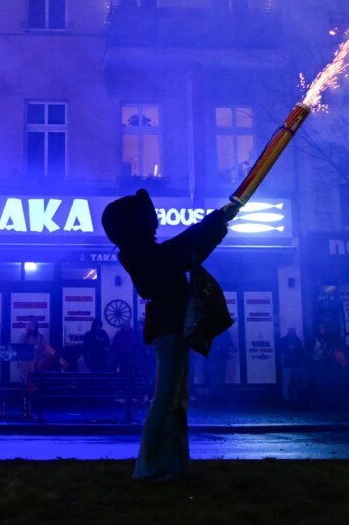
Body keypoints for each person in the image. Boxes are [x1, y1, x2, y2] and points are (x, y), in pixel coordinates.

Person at [101, 189, 234, 482]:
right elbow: (184, 250)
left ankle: (173, 466)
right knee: (166, 401)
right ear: (137, 222)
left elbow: (183, 247)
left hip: (170, 330)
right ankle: (148, 468)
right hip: (169, 330)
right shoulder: (143, 254)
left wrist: (216, 222)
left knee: (175, 401)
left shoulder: (141, 253)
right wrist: (216, 223)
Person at [278, 327, 307, 405]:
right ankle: (288, 397)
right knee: (288, 382)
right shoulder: (297, 341)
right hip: (290, 364)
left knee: (291, 382)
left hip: (291, 364)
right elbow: (281, 350)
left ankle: (290, 397)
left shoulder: (286, 340)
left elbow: (301, 353)